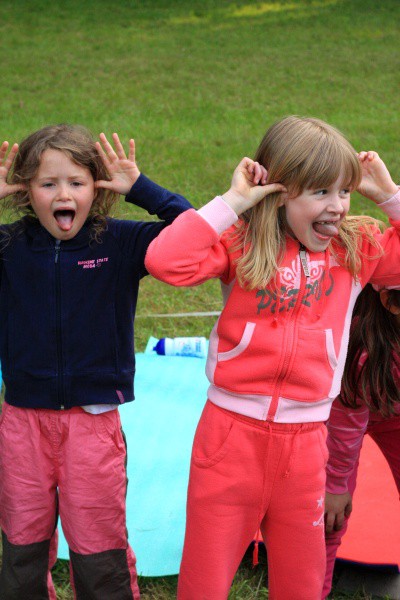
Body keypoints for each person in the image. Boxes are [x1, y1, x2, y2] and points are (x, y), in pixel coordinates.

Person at [143, 116, 400, 599]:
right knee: (204, 579)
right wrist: (233, 201)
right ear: (279, 191)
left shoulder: (355, 248)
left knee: (302, 583)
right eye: (321, 192)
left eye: (345, 191)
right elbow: (164, 261)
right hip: (228, 439)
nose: (337, 205)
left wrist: (388, 196)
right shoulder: (242, 242)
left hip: (307, 447)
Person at [0, 124, 193, 600]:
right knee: (21, 540)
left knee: (98, 544)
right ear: (25, 190)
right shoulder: (9, 246)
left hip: (93, 425)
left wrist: (142, 188)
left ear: (98, 188)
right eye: (47, 183)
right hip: (22, 423)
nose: (63, 194)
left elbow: (194, 234)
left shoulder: (118, 243)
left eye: (76, 182)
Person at [323, 283, 400, 599]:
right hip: (343, 408)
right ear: (391, 302)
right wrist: (335, 485)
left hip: (394, 411)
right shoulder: (362, 349)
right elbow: (345, 425)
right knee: (329, 518)